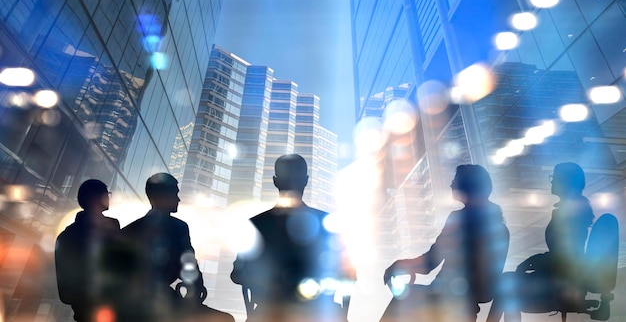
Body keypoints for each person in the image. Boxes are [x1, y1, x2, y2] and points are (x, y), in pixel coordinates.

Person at [231, 154, 355, 322]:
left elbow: (237, 275)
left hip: (268, 315)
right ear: (306, 180)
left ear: (275, 181)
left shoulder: (255, 224)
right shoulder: (328, 224)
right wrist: (342, 317)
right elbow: (348, 275)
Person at [382, 165, 510, 322]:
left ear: (466, 185)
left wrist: (400, 265)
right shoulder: (499, 228)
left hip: (445, 303)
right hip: (464, 308)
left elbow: (431, 261)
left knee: (401, 301)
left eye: (455, 180)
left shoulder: (459, 220)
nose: (451, 184)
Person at [487, 162, 594, 321]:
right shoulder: (573, 210)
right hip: (561, 277)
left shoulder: (569, 213)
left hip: (560, 283)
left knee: (507, 283)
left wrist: (532, 261)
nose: (551, 181)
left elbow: (564, 255)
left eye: (554, 178)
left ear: (565, 181)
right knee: (508, 282)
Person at [121, 173, 233, 322]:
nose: (178, 199)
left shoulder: (130, 230)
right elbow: (189, 266)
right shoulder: (179, 227)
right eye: (175, 194)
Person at [55, 179, 120, 322]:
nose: (108, 198)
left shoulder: (65, 237)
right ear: (96, 197)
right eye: (106, 194)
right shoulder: (111, 228)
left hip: (82, 310)